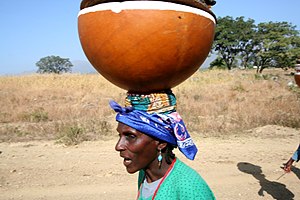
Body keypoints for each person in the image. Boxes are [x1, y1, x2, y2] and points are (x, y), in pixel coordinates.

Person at [110, 90, 215, 200]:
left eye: (131, 137)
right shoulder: (145, 174)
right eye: (119, 136)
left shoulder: (190, 189)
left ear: (161, 143)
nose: (118, 146)